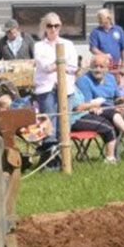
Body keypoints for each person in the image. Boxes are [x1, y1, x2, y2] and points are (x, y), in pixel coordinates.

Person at [75, 54, 124, 158]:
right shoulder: (84, 80)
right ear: (90, 66)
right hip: (98, 115)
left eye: (101, 66)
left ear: (107, 68)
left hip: (115, 110)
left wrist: (122, 100)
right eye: (95, 66)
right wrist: (113, 108)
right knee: (115, 121)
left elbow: (117, 98)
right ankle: (115, 157)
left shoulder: (111, 78)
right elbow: (88, 105)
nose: (98, 69)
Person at [32, 12, 77, 168]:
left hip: (67, 90)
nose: (53, 29)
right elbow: (45, 67)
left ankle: (64, 162)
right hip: (46, 90)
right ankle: (50, 163)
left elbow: (73, 67)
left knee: (64, 127)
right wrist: (60, 64)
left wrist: (56, 65)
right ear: (45, 27)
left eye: (56, 25)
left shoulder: (68, 44)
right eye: (50, 25)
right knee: (49, 127)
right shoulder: (38, 46)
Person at [68, 87, 120, 164]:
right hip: (74, 120)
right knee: (107, 127)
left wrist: (92, 108)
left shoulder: (75, 86)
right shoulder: (68, 88)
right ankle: (110, 158)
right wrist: (93, 104)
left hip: (84, 114)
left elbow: (82, 104)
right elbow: (77, 108)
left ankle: (112, 157)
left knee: (109, 123)